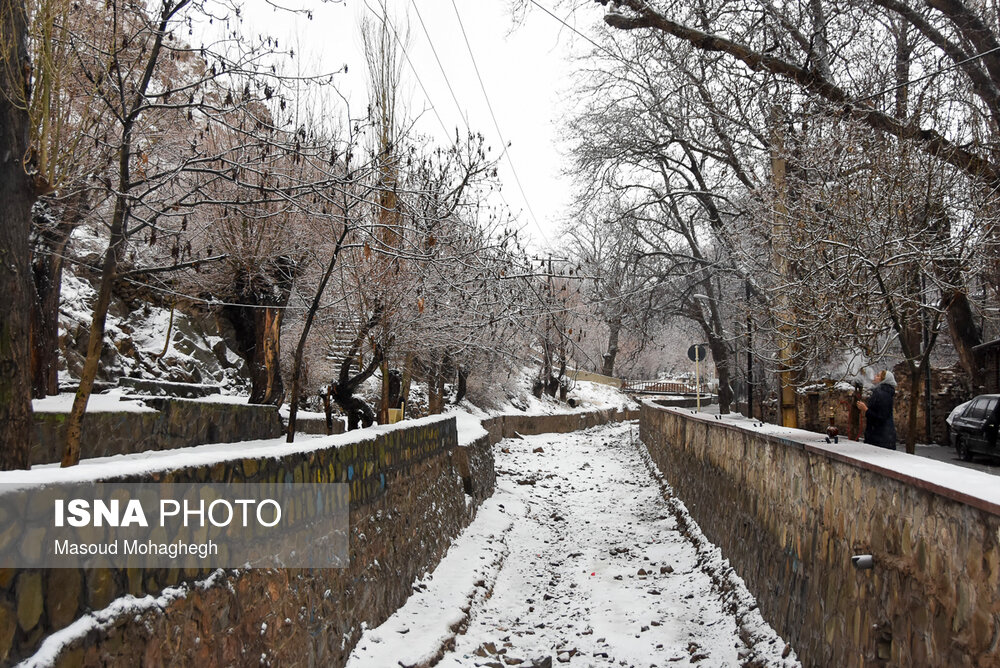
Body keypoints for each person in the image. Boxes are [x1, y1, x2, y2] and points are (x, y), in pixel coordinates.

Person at [856, 370, 898, 450]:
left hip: (880, 438)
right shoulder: (882, 392)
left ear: (884, 380)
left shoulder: (882, 394)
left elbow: (881, 417)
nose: (875, 376)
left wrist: (865, 409)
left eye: (878, 376)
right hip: (881, 436)